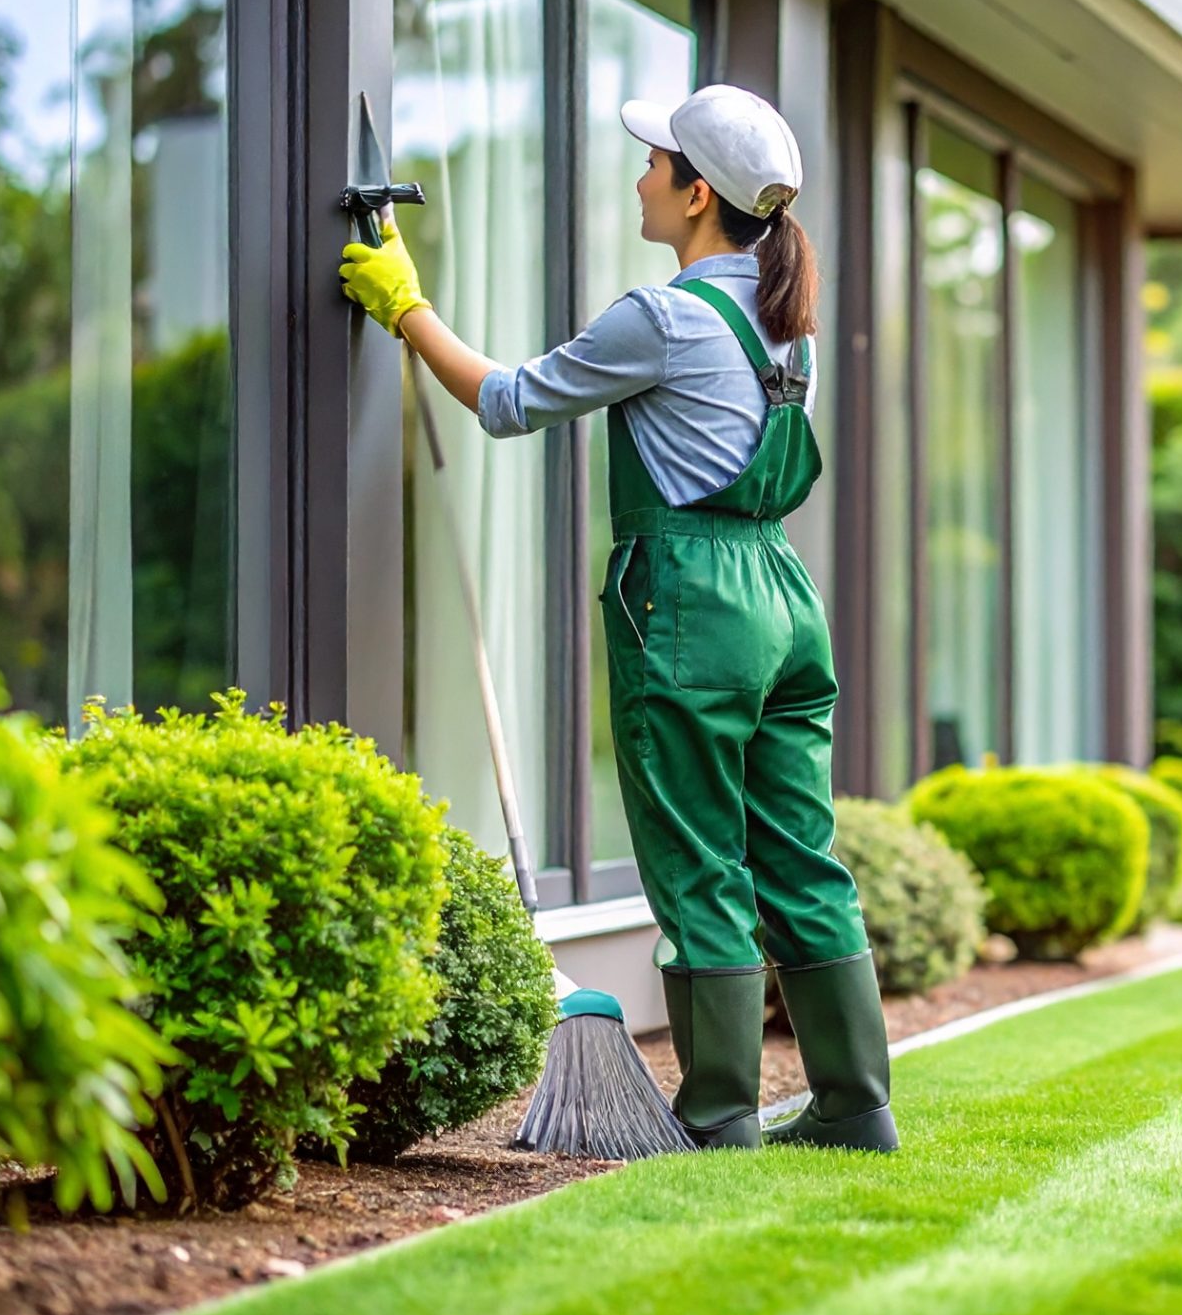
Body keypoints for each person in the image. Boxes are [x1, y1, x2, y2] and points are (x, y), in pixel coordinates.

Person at [337, 84, 896, 1153]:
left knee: (695, 855)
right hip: (782, 595)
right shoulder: (790, 328)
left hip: (690, 600)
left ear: (695, 195)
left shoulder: (664, 315)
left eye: (654, 163)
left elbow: (507, 402)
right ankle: (853, 1102)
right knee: (799, 853)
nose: (639, 176)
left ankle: (721, 1108)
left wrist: (405, 305)